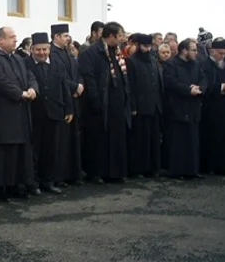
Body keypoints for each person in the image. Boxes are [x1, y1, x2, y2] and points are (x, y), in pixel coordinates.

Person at [0, 27, 38, 200]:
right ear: (0, 41)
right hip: (2, 113)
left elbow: (30, 76)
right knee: (2, 153)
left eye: (15, 37)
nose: (15, 40)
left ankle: (16, 185)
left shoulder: (19, 59)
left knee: (19, 152)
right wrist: (19, 93)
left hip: (20, 112)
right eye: (11, 37)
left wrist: (33, 89)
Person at [78, 21, 132, 184]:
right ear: (110, 36)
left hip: (117, 101)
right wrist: (96, 100)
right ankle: (97, 172)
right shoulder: (91, 53)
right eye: (120, 35)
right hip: (100, 102)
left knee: (116, 137)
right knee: (99, 139)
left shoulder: (117, 52)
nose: (123, 39)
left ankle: (116, 171)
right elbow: (90, 78)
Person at [24, 32, 73, 194]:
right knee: (35, 150)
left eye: (45, 49)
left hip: (55, 112)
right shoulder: (25, 64)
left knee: (52, 149)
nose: (41, 53)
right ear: (32, 50)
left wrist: (69, 108)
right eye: (38, 50)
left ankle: (49, 181)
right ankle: (34, 182)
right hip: (34, 114)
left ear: (49, 49)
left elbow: (64, 86)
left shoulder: (58, 64)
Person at [162, 39, 207, 179]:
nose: (196, 52)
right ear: (184, 50)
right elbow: (170, 82)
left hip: (193, 107)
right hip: (178, 107)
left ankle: (192, 170)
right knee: (178, 141)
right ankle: (177, 171)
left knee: (193, 140)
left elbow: (204, 78)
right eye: (193, 50)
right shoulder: (171, 64)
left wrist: (200, 88)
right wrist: (188, 90)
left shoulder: (196, 64)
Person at [50, 23, 83, 186]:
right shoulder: (52, 53)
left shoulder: (67, 52)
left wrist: (80, 85)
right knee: (61, 141)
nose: (67, 38)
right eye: (64, 35)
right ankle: (60, 176)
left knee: (72, 139)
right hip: (62, 100)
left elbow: (77, 72)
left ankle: (73, 174)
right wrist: (74, 87)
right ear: (56, 37)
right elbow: (59, 77)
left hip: (74, 98)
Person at [125, 33, 163, 178]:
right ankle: (138, 169)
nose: (148, 49)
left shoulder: (153, 60)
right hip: (140, 107)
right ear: (138, 46)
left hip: (154, 106)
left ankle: (154, 168)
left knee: (153, 138)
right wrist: (133, 107)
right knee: (140, 140)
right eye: (145, 46)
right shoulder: (132, 61)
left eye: (149, 46)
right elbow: (131, 86)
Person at [199, 39, 225, 175]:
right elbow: (204, 85)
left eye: (224, 54)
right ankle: (210, 166)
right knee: (211, 137)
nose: (222, 56)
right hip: (210, 107)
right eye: (220, 53)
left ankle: (224, 166)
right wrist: (221, 87)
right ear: (212, 51)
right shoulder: (204, 65)